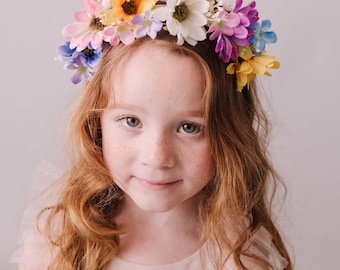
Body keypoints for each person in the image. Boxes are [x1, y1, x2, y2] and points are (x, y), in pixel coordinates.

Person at [12, 0, 292, 269]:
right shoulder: (61, 242)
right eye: (131, 121)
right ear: (96, 123)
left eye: (189, 127)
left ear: (229, 134)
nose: (157, 158)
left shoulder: (242, 258)